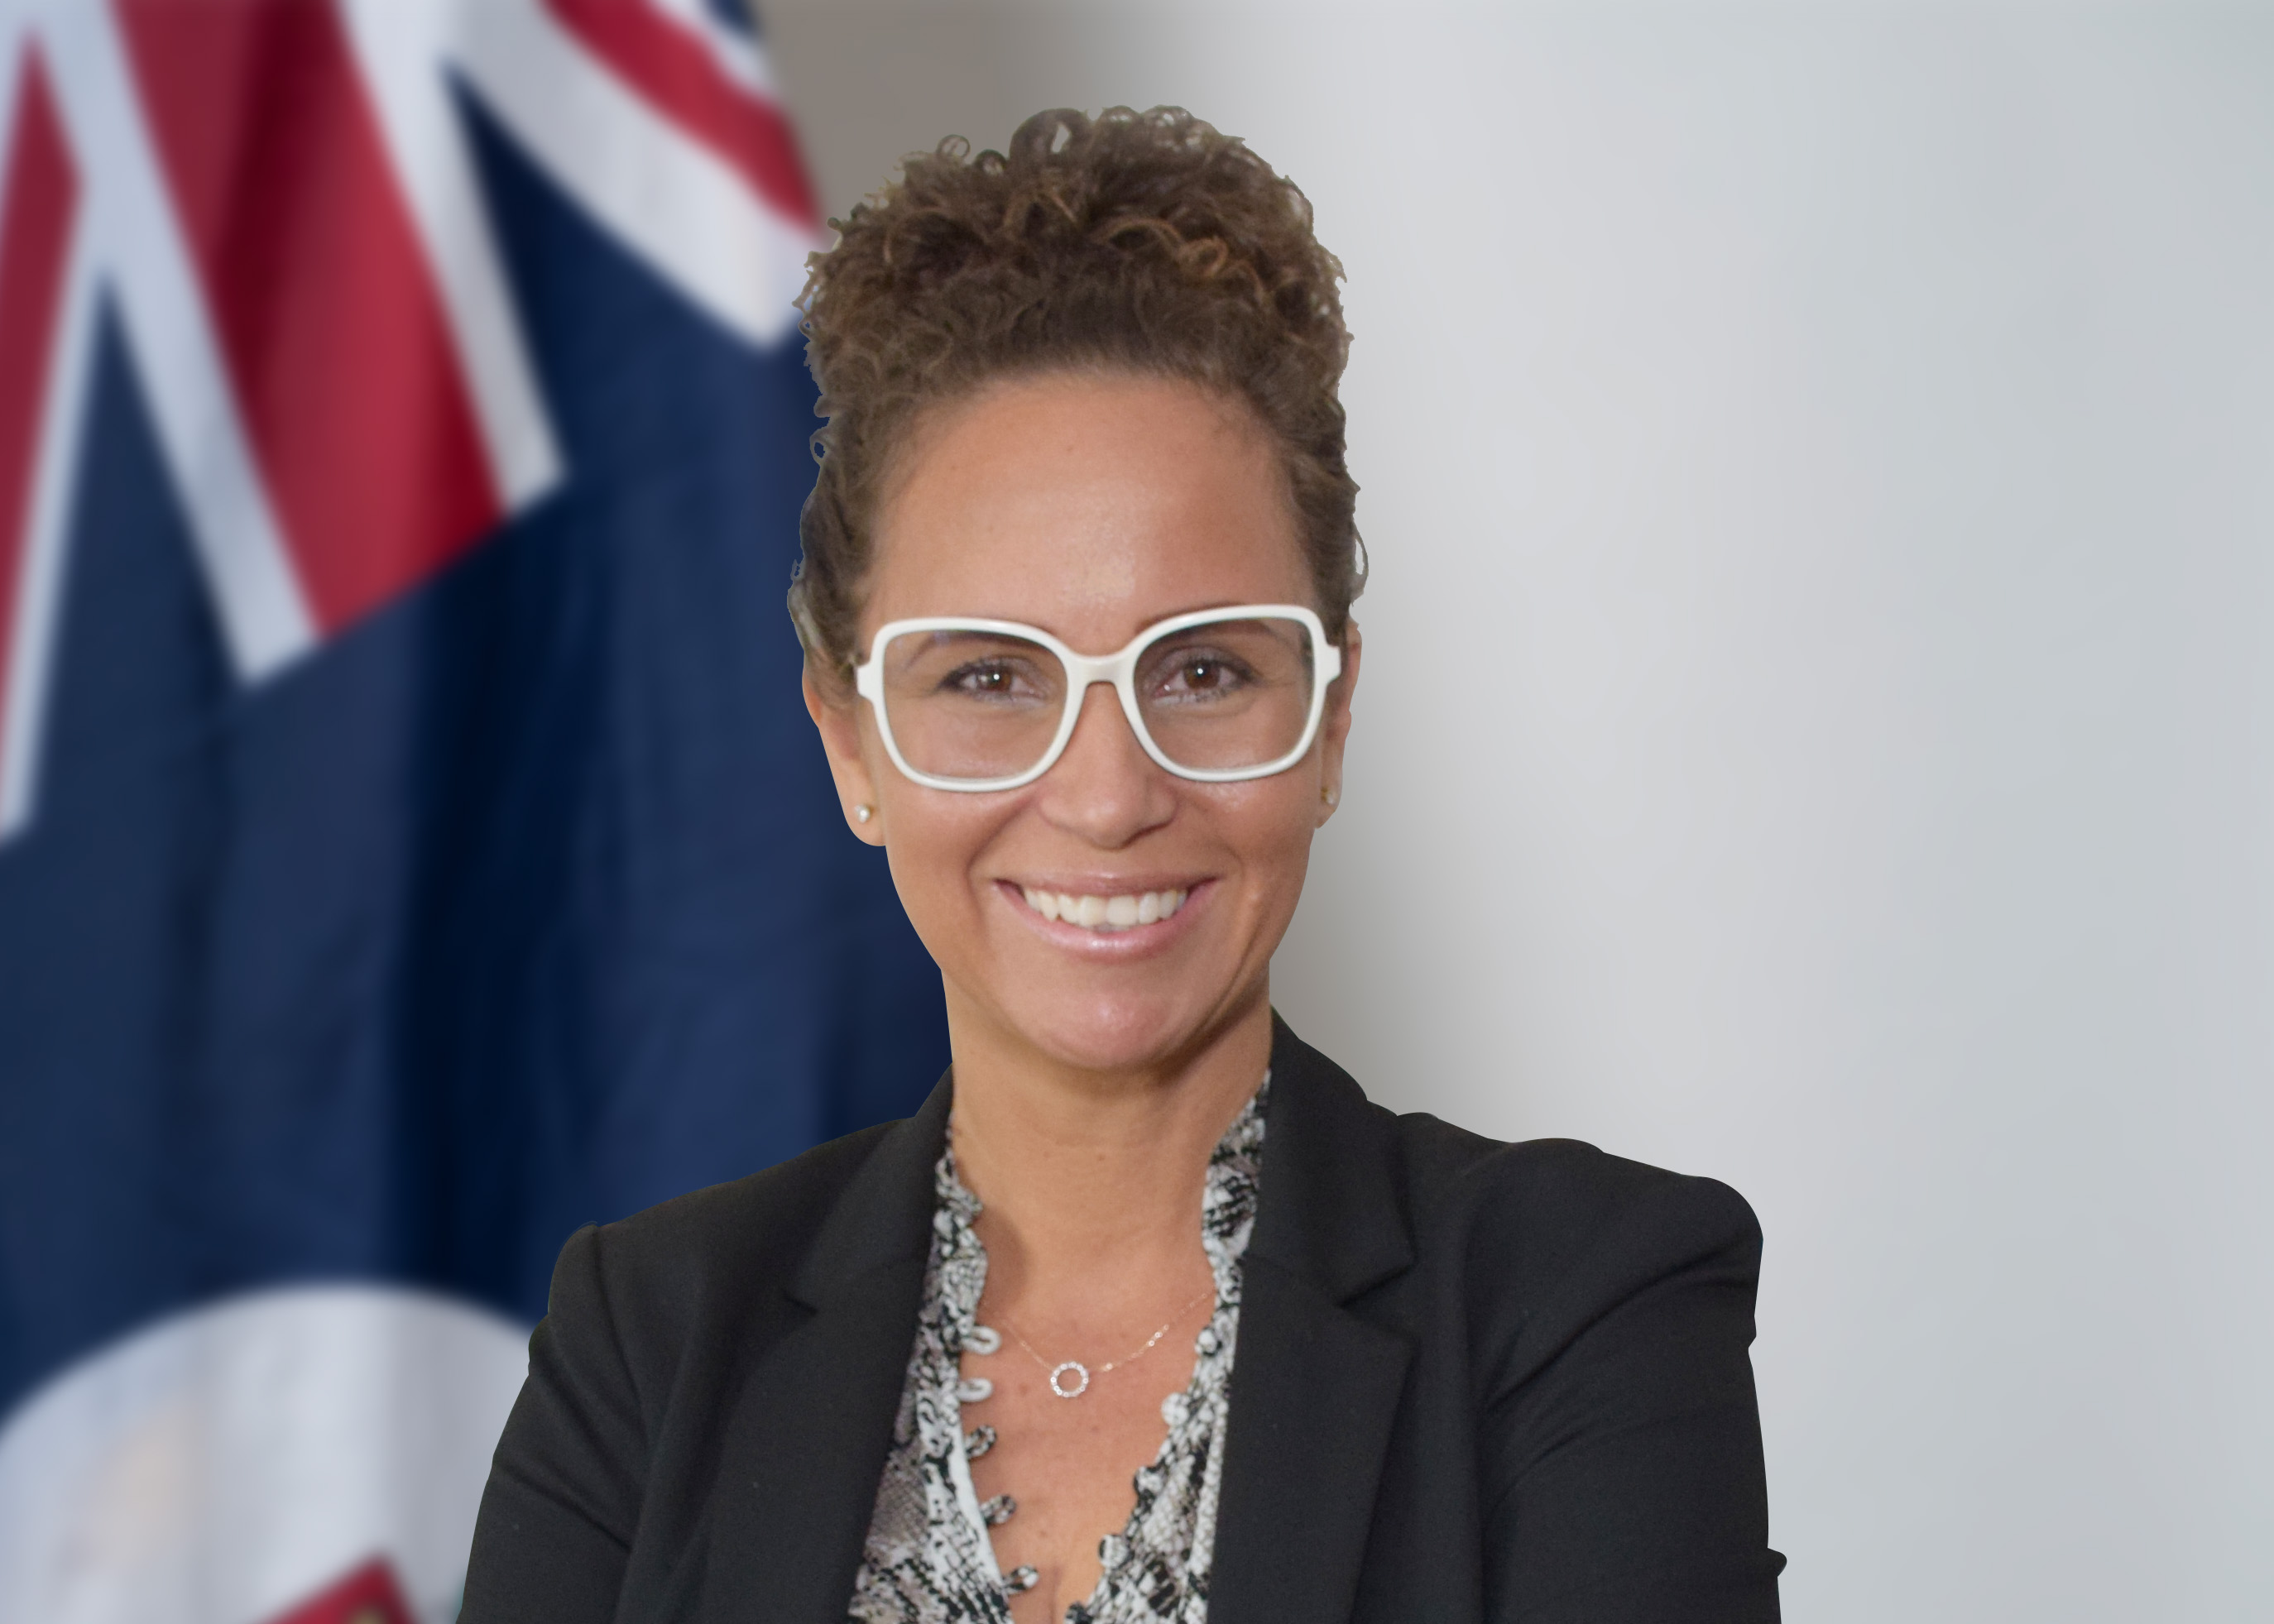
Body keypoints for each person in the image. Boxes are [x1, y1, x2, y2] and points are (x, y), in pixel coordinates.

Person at [463, 107, 1783, 1624]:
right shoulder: (649, 1340)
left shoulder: (1585, 1300)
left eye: (1205, 672)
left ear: (1330, 718)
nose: (1106, 798)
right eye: (989, 677)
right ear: (850, 741)